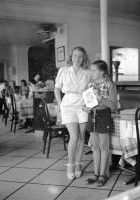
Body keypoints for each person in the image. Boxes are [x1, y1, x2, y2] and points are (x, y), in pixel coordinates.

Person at [54, 46, 91, 180]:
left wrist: (89, 105)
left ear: (83, 58)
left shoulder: (87, 73)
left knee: (81, 137)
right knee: (74, 137)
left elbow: (90, 91)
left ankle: (78, 163)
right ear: (71, 57)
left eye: (80, 56)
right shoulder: (63, 70)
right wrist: (59, 105)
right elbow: (57, 89)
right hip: (68, 106)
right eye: (75, 56)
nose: (77, 59)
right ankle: (70, 164)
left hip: (82, 106)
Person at [82, 60, 117, 187]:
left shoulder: (109, 84)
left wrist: (101, 98)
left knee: (103, 148)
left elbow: (113, 106)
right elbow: (85, 103)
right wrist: (84, 108)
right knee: (95, 148)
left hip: (103, 116)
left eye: (94, 70)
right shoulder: (90, 84)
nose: (91, 72)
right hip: (91, 116)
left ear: (102, 71)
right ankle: (95, 174)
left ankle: (103, 174)